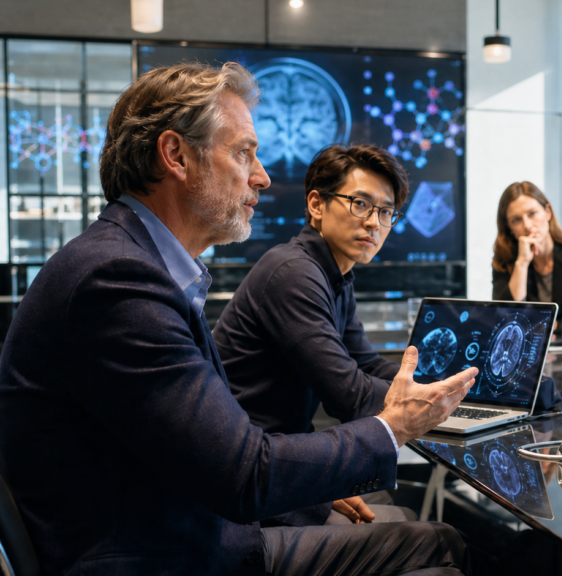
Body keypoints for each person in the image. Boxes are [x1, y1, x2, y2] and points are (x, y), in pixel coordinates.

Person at [0, 62, 478, 575]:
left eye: (384, 211)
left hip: (189, 525)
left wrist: (312, 497)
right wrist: (395, 427)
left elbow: (207, 454)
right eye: (243, 152)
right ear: (176, 156)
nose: (263, 177)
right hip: (166, 555)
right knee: (440, 547)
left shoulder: (134, 265)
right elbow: (247, 475)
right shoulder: (117, 281)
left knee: (431, 539)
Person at [213, 144, 409, 527]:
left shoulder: (335, 274)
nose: (374, 222)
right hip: (253, 481)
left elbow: (364, 362)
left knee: (393, 503)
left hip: (282, 462)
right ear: (317, 205)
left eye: (385, 212)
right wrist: (436, 402)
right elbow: (348, 395)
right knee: (416, 524)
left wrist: (441, 386)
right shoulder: (293, 271)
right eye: (360, 204)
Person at [492, 181, 562, 336]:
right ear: (509, 228)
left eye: (532, 213)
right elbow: (504, 319)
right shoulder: (506, 261)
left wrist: (545, 326)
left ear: (547, 212)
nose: (527, 225)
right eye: (516, 220)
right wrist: (522, 264)